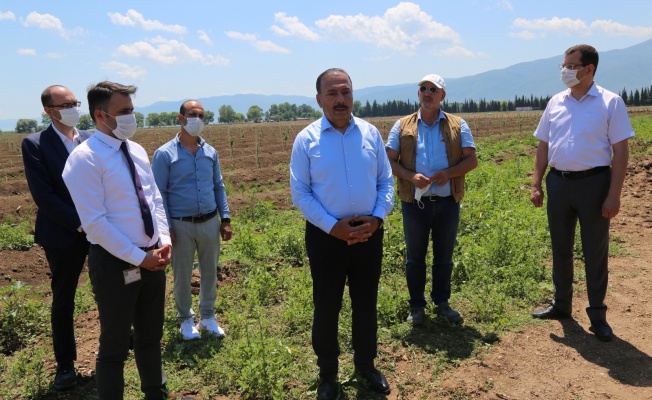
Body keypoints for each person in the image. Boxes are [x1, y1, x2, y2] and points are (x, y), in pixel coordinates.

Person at [62, 81, 173, 399]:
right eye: (123, 112)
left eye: (132, 111)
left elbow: (154, 199)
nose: (130, 118)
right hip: (115, 263)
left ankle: (155, 391)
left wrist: (163, 240)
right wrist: (140, 259)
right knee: (114, 345)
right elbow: (95, 224)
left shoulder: (136, 150)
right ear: (100, 115)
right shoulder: (85, 159)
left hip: (154, 258)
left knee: (151, 336)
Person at [290, 68, 394, 399]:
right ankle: (328, 375)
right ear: (319, 99)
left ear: (353, 95)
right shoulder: (306, 140)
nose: (340, 99)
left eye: (345, 92)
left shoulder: (370, 134)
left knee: (366, 302)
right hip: (326, 238)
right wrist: (332, 227)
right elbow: (301, 193)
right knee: (326, 304)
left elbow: (385, 181)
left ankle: (366, 365)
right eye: (332, 93)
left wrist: (377, 218)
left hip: (369, 233)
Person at [530, 44, 634, 342]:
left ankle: (598, 315)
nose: (565, 71)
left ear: (589, 69)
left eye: (571, 66)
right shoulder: (555, 102)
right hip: (559, 183)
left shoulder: (610, 103)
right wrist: (537, 183)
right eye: (563, 65)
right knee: (560, 248)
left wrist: (614, 195)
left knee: (595, 252)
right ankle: (562, 304)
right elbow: (543, 146)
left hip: (595, 184)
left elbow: (620, 151)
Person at [386, 74, 477, 326]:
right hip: (415, 204)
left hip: (447, 202)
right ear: (418, 94)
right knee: (415, 258)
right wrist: (410, 176)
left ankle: (442, 303)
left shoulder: (458, 125)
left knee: (444, 257)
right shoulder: (402, 125)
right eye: (423, 89)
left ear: (442, 96)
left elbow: (472, 160)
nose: (427, 93)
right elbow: (389, 160)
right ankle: (416, 306)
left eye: (433, 89)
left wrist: (448, 173)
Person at [21, 85, 91, 391]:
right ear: (50, 111)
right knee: (64, 298)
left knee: (111, 284)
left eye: (75, 103)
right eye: (66, 105)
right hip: (63, 233)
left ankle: (119, 336)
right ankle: (65, 364)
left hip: (99, 228)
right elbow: (44, 196)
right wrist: (81, 223)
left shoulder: (90, 138)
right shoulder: (35, 144)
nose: (74, 108)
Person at [152, 100, 232, 341]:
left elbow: (219, 186)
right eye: (192, 114)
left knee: (209, 271)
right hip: (180, 224)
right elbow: (159, 193)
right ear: (181, 118)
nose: (197, 118)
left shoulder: (210, 152)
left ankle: (207, 317)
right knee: (182, 274)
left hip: (209, 221)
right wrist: (166, 228)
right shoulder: (165, 154)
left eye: (201, 115)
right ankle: (185, 320)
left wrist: (225, 218)